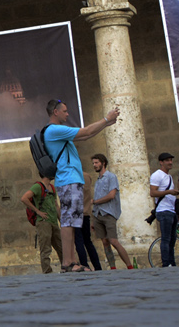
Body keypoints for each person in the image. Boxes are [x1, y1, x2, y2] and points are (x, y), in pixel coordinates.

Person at [40, 98, 120, 273]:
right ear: (55, 112)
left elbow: (87, 135)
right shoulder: (54, 130)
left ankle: (72, 261)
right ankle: (67, 263)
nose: (67, 114)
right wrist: (106, 119)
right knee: (68, 222)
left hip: (71, 179)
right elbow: (86, 131)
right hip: (68, 179)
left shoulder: (58, 132)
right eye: (65, 111)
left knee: (72, 222)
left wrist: (106, 124)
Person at [90, 154, 133, 269]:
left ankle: (129, 265)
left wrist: (95, 201)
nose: (94, 165)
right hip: (98, 214)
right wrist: (93, 219)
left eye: (96, 163)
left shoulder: (111, 177)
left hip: (108, 213)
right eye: (93, 163)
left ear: (103, 163)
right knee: (105, 242)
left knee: (113, 240)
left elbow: (111, 195)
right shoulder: (98, 181)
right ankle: (112, 267)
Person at [21, 176, 62, 273]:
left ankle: (65, 266)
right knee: (45, 248)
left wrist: (61, 220)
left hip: (53, 222)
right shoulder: (38, 186)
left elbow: (56, 205)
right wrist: (37, 211)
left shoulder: (52, 187)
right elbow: (24, 198)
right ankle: (47, 271)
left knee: (61, 246)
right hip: (43, 222)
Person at [150, 152, 179, 267]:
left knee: (172, 239)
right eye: (167, 160)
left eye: (171, 160)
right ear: (161, 162)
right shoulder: (157, 175)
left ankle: (172, 262)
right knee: (166, 239)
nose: (170, 162)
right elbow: (153, 192)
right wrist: (169, 192)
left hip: (171, 210)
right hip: (163, 210)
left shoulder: (169, 176)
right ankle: (166, 263)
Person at [75, 181, 103, 271]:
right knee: (87, 241)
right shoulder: (87, 177)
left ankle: (84, 265)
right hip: (86, 214)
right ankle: (97, 266)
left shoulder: (71, 177)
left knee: (79, 241)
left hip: (76, 214)